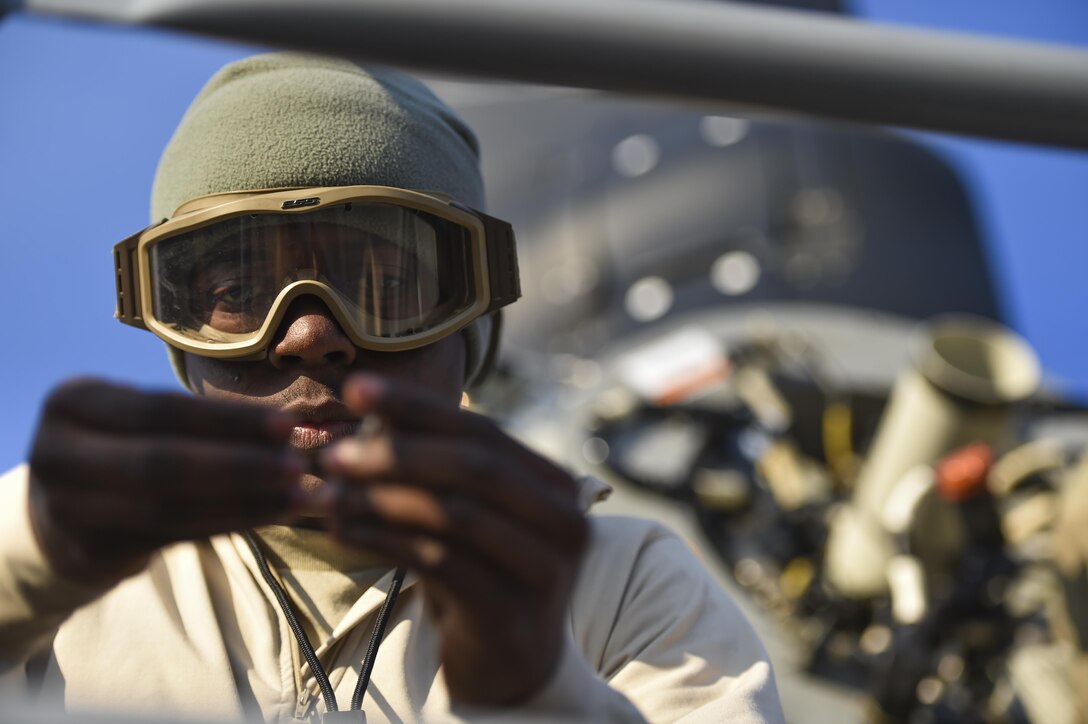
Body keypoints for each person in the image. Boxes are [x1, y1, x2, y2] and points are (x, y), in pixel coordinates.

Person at [0, 53, 784, 723]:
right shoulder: (61, 563)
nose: (309, 335)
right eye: (240, 291)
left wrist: (542, 690)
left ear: (469, 320)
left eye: (382, 288)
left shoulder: (617, 584)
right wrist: (30, 558)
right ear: (180, 335)